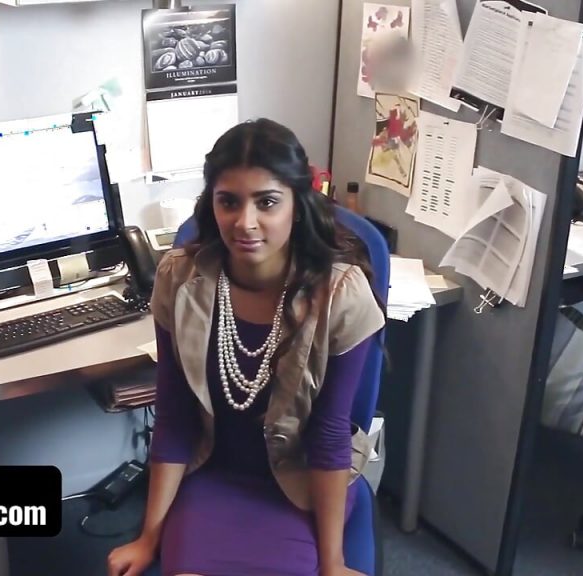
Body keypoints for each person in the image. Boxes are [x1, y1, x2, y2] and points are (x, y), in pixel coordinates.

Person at [107, 119, 385, 576]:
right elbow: (174, 416)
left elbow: (331, 434)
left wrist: (332, 563)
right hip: (213, 474)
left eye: (267, 202)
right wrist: (148, 538)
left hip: (299, 483)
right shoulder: (179, 279)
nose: (245, 222)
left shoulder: (340, 294)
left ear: (298, 204)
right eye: (229, 201)